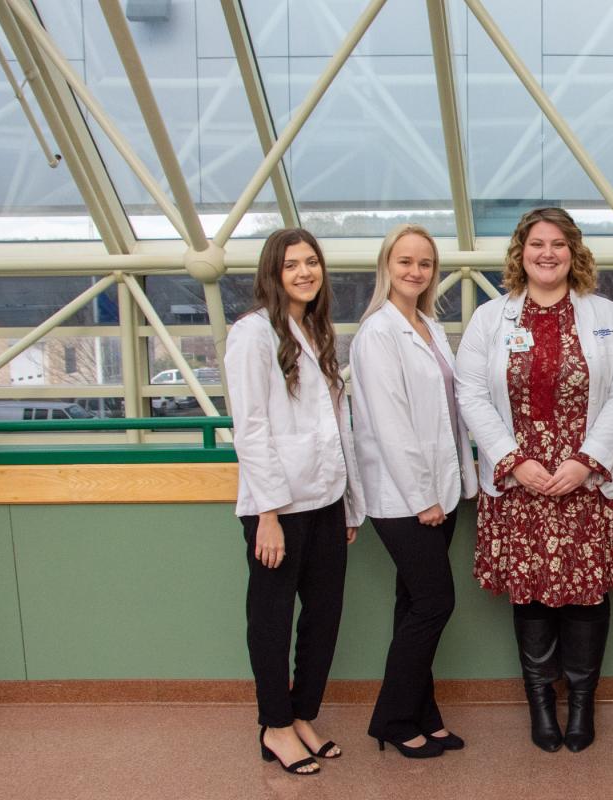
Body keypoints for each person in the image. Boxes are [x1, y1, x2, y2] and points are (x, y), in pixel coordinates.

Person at [456, 207, 613, 754]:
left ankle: (582, 704)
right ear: (520, 252)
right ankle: (541, 703)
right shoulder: (491, 320)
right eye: (536, 243)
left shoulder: (606, 315)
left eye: (558, 244)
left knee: (586, 597)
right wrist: (513, 460)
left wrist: (587, 460)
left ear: (574, 252)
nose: (547, 253)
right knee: (532, 597)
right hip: (521, 485)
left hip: (586, 483)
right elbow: (469, 393)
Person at [224, 228, 365, 776]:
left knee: (324, 617)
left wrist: (348, 505)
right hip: (278, 509)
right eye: (292, 265)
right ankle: (275, 726)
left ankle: (304, 713)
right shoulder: (252, 335)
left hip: (326, 500)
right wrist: (268, 515)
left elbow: (336, 427)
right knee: (273, 619)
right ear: (272, 274)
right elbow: (251, 428)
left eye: (312, 262)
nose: (305, 272)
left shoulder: (315, 330)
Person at [350, 224, 478, 758]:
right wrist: (423, 494)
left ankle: (423, 714)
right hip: (406, 498)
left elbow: (452, 411)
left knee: (411, 605)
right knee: (434, 602)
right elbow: (390, 423)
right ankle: (394, 719)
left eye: (424, 263)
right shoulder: (377, 334)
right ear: (387, 266)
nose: (415, 271)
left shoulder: (427, 324)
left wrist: (458, 483)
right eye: (404, 261)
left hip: (440, 492)